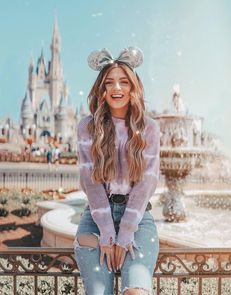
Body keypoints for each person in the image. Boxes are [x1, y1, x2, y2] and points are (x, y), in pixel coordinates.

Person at [74, 47, 160, 295]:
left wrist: (124, 235)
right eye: (109, 83)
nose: (117, 88)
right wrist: (108, 235)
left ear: (133, 87)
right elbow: (91, 183)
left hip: (138, 220)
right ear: (102, 91)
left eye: (124, 81)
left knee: (136, 292)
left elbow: (146, 184)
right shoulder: (87, 128)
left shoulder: (149, 128)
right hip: (95, 221)